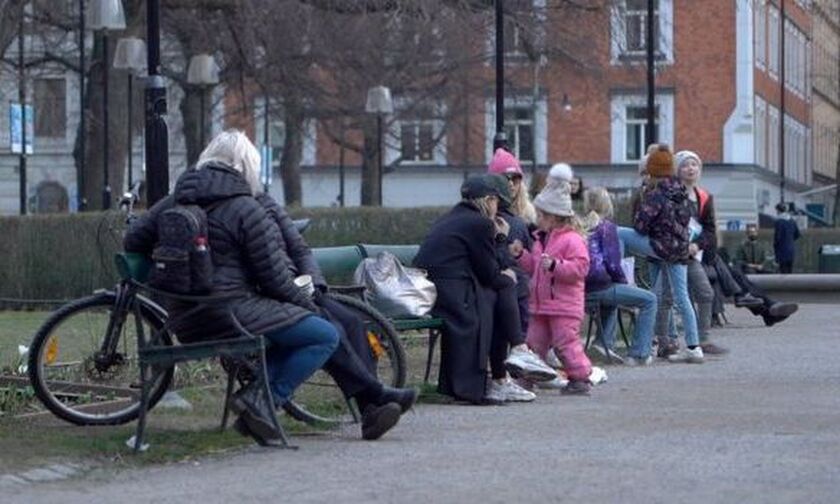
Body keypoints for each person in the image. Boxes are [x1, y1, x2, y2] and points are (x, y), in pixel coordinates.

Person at [125, 131, 402, 443]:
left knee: (323, 326)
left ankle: (262, 401)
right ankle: (262, 401)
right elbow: (275, 279)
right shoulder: (246, 208)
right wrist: (307, 305)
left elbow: (133, 239)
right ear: (246, 166)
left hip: (184, 317)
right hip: (232, 312)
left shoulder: (175, 201)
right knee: (324, 334)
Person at [257, 193, 418, 418]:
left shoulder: (266, 203)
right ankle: (372, 403)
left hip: (301, 289)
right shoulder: (244, 210)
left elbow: (300, 250)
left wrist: (316, 285)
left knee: (352, 321)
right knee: (331, 329)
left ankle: (371, 407)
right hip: (277, 297)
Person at [414, 176, 554, 404]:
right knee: (505, 286)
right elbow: (491, 272)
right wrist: (500, 238)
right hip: (454, 294)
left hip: (441, 290)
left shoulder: (453, 218)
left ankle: (506, 371)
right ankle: (515, 356)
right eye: (498, 202)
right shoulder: (479, 223)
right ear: (489, 200)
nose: (498, 209)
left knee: (502, 289)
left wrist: (502, 270)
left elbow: (487, 269)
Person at [511, 172, 594, 394]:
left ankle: (580, 377)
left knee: (565, 342)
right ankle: (527, 376)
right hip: (541, 305)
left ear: (554, 216)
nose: (537, 218)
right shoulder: (540, 240)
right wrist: (521, 256)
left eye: (540, 215)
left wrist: (557, 266)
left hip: (564, 306)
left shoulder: (572, 240)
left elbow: (581, 268)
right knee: (533, 343)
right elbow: (536, 268)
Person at [621, 144, 704, 364]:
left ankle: (618, 280)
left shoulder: (655, 193)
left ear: (652, 171)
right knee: (681, 297)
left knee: (618, 232)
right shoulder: (681, 192)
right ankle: (694, 347)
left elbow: (640, 226)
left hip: (658, 247)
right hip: (679, 251)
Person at [582, 187, 658, 366]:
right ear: (607, 205)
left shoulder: (579, 225)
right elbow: (613, 265)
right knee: (650, 300)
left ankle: (603, 343)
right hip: (600, 287)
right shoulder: (608, 228)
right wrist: (625, 283)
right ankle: (639, 353)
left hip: (581, 290)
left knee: (613, 298)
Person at [668, 150, 726, 355]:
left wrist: (698, 245)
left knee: (705, 292)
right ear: (677, 169)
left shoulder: (704, 197)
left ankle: (703, 338)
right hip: (671, 253)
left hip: (691, 255)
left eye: (694, 164)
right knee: (670, 297)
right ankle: (668, 340)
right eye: (685, 165)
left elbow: (710, 229)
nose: (690, 168)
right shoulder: (672, 194)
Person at [774, 202, 800, 274]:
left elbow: (777, 238)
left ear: (778, 211)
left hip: (782, 251)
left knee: (783, 272)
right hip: (791, 250)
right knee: (790, 271)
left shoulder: (779, 222)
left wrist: (776, 250)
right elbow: (797, 234)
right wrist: (790, 240)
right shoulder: (792, 221)